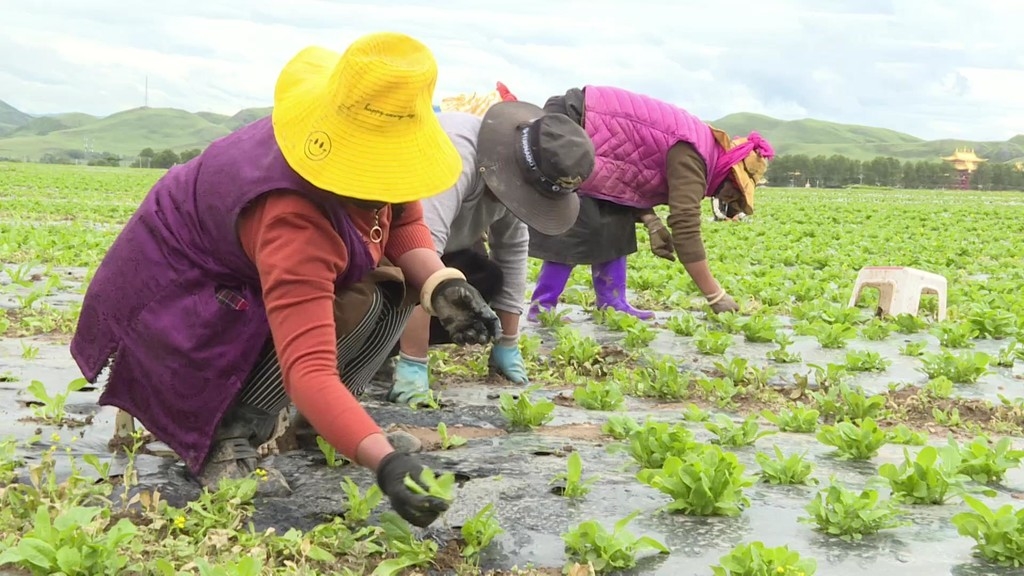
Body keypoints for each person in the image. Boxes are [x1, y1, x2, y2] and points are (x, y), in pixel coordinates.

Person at [69, 32, 502, 529]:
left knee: (393, 288)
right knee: (322, 320)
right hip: (181, 286)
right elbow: (309, 369)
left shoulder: (377, 152)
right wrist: (386, 463)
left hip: (241, 263)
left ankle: (324, 427)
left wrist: (442, 285)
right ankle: (225, 435)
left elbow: (403, 220)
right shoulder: (293, 218)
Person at [386, 99, 596, 405]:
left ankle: (387, 346)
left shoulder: (518, 183)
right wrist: (414, 364)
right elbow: (417, 253)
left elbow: (511, 251)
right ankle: (379, 349)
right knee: (407, 284)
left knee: (485, 279)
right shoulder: (456, 156)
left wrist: (507, 344)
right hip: (378, 251)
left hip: (432, 253)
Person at [527, 85, 775, 320]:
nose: (726, 199)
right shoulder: (695, 157)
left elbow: (626, 179)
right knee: (580, 222)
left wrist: (652, 223)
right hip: (575, 120)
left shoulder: (704, 150)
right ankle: (543, 307)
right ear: (730, 177)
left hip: (593, 131)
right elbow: (685, 227)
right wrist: (715, 295)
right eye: (733, 193)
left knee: (614, 214)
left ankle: (612, 303)